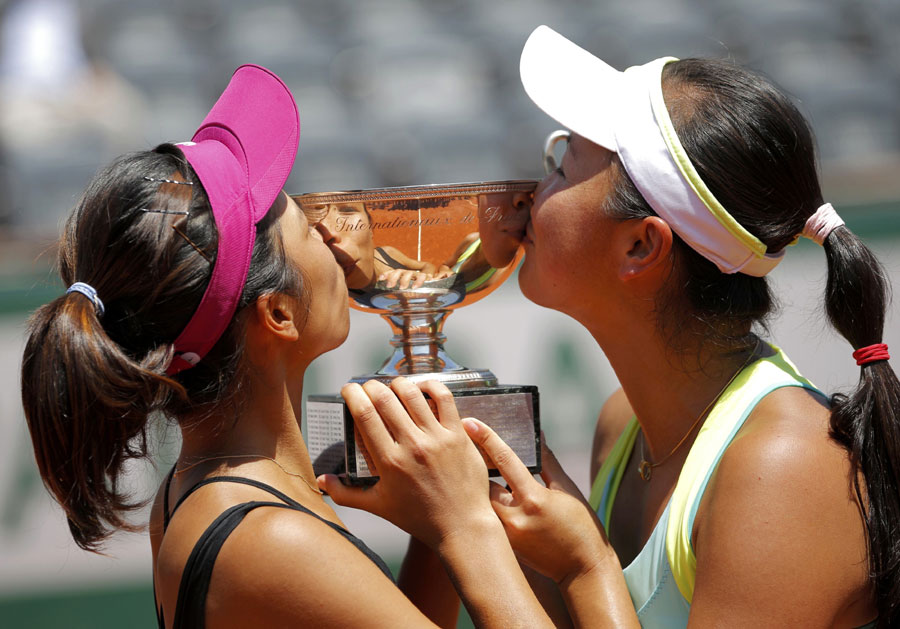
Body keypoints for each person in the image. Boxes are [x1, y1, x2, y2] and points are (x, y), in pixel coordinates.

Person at [322, 26, 899, 627]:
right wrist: (453, 506)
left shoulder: (785, 465)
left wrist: (561, 558)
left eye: (562, 167)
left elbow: (578, 584)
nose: (527, 196)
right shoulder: (621, 426)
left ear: (639, 246)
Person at [19, 64, 559, 628]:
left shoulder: (207, 489)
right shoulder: (271, 538)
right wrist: (475, 527)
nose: (333, 237)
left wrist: (435, 525)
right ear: (277, 313)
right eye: (306, 226)